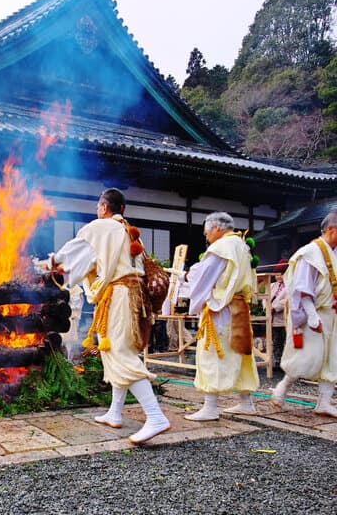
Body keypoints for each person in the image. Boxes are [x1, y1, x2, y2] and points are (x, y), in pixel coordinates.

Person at [37, 188, 170, 444]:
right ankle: (115, 412)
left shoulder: (101, 227)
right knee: (113, 351)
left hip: (120, 297)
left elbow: (72, 254)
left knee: (120, 353)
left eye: (99, 205)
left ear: (103, 207)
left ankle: (155, 416)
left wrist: (47, 264)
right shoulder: (128, 232)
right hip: (133, 298)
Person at [184, 212, 259, 420]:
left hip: (222, 307)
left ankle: (210, 407)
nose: (205, 235)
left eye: (206, 231)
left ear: (216, 227)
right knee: (241, 352)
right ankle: (246, 402)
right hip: (240, 307)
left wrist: (188, 276)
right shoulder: (242, 246)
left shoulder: (221, 248)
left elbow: (206, 277)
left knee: (213, 353)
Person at [271, 210, 337, 417]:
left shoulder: (335, 253)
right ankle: (281, 389)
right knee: (306, 356)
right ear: (331, 229)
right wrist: (312, 315)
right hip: (313, 313)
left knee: (332, 358)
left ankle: (324, 402)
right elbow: (302, 288)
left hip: (332, 313)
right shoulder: (309, 252)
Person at [269, 258, 289, 367]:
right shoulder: (272, 285)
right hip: (271, 319)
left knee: (285, 340)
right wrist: (267, 307)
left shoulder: (290, 285)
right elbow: (265, 298)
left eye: (281, 274)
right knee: (275, 341)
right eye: (277, 274)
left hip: (283, 318)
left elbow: (287, 300)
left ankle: (286, 363)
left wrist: (275, 307)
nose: (279, 276)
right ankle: (277, 361)